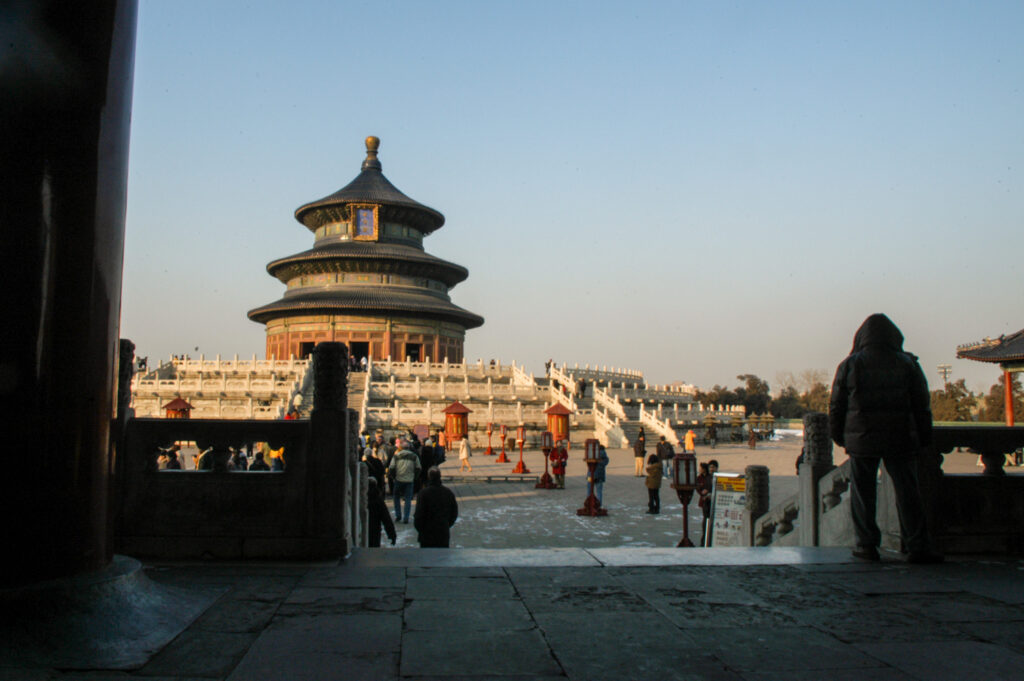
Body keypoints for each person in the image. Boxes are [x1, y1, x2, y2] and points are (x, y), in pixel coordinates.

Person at [829, 313, 941, 564]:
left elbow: (836, 406)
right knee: (908, 492)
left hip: (862, 438)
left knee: (863, 493)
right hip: (900, 437)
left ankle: (866, 544)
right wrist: (924, 438)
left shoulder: (850, 364)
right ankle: (917, 545)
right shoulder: (908, 363)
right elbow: (922, 406)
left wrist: (839, 436)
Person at [413, 467, 459, 547]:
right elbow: (454, 512)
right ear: (440, 476)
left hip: (426, 533)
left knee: (427, 554)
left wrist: (421, 529)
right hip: (442, 532)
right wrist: (446, 524)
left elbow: (418, 515)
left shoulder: (423, 493)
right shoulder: (448, 492)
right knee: (442, 554)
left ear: (429, 477)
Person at [391, 438, 421, 524]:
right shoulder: (414, 456)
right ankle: (406, 517)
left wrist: (394, 476)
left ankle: (398, 515)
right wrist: (415, 477)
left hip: (398, 479)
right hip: (409, 480)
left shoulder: (396, 456)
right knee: (408, 498)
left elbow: (392, 467)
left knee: (396, 497)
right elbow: (418, 468)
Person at [366, 478, 396, 548]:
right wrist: (392, 534)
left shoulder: (361, 498)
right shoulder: (378, 499)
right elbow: (386, 519)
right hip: (374, 532)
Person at [696, 462, 712, 546]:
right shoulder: (699, 478)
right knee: (705, 518)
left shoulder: (710, 477)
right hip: (704, 500)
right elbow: (697, 488)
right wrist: (702, 492)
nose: (700, 470)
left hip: (710, 499)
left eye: (701, 468)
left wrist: (708, 492)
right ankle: (704, 540)